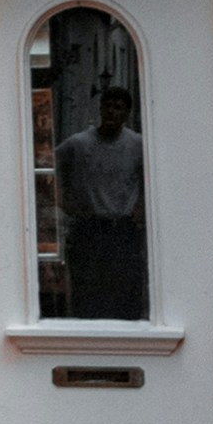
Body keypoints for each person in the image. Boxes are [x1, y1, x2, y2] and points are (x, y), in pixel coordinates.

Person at [56, 84, 148, 320]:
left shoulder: (138, 145)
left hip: (123, 230)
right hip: (89, 230)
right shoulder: (78, 144)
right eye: (107, 106)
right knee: (88, 297)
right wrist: (63, 201)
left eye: (118, 107)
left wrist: (141, 207)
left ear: (126, 113)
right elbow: (46, 166)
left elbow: (150, 178)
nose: (111, 112)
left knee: (125, 296)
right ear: (100, 109)